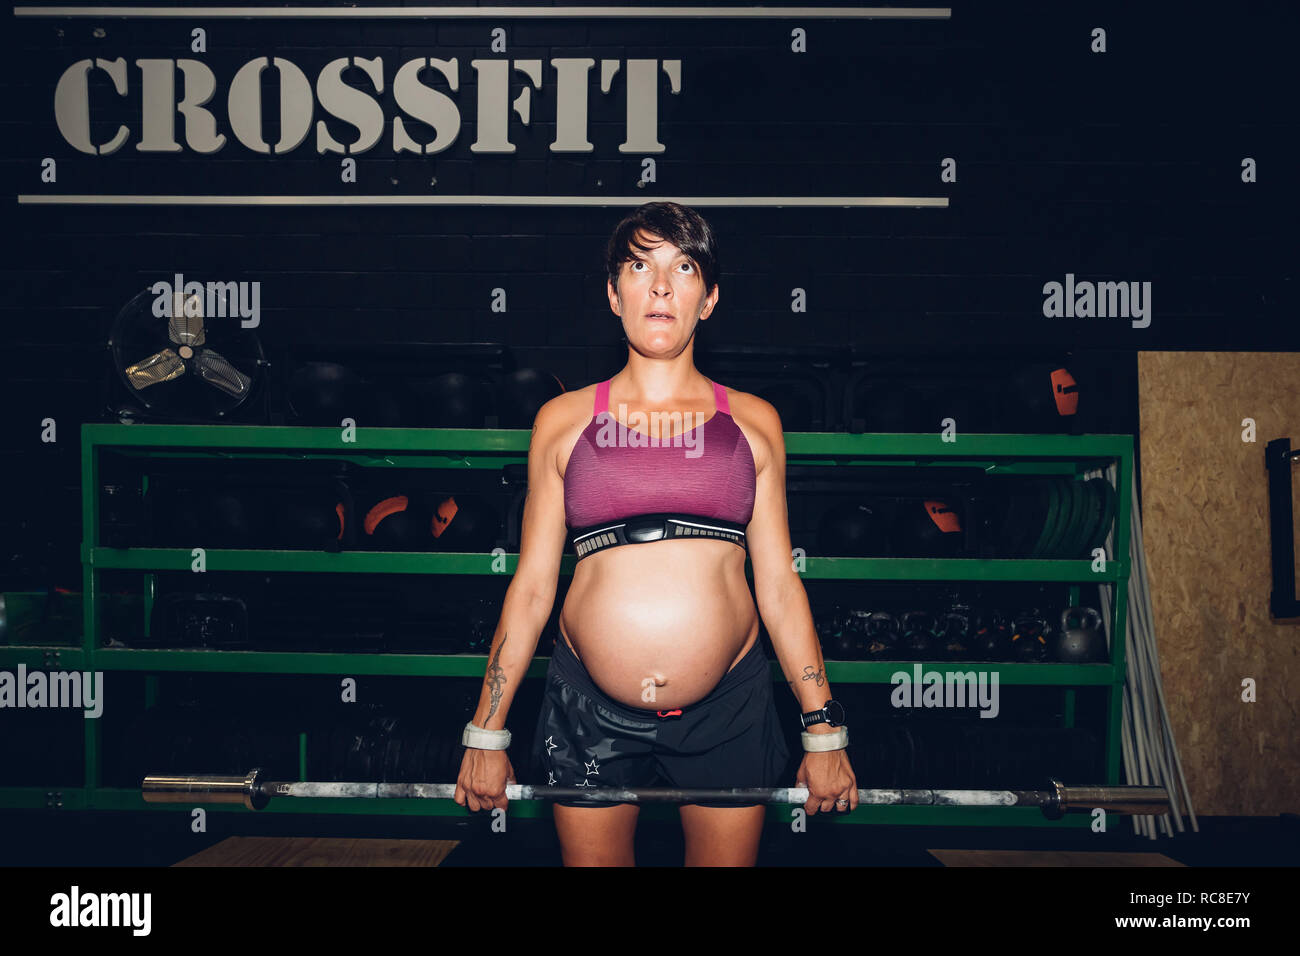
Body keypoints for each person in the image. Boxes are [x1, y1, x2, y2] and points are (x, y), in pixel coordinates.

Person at [454, 201, 857, 865]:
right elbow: (530, 588)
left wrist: (824, 729)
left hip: (727, 709)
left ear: (710, 298)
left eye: (684, 267)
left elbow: (781, 585)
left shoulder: (755, 422)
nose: (662, 285)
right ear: (615, 295)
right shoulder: (562, 420)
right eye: (640, 266)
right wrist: (486, 730)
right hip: (589, 713)